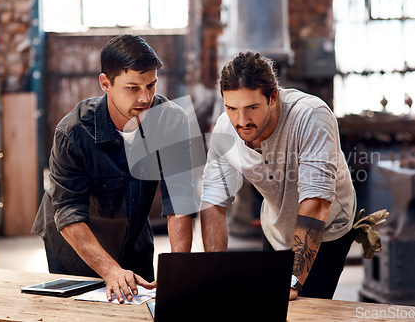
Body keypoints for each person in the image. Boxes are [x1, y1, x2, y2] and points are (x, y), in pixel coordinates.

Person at [31, 34, 196, 304]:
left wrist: (177, 270)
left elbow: (180, 201)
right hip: (75, 242)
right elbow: (69, 214)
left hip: (133, 236)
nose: (145, 97)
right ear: (105, 83)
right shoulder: (72, 133)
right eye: (133, 87)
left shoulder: (171, 121)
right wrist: (110, 270)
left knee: (144, 311)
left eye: (151, 85)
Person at [199, 51, 357, 300]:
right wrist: (214, 271)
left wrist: (293, 281)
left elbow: (315, 204)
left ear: (273, 97)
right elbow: (213, 203)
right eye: (231, 108)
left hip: (326, 229)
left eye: (252, 107)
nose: (242, 121)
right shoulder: (224, 130)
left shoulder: (311, 116)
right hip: (275, 227)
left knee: (305, 310)